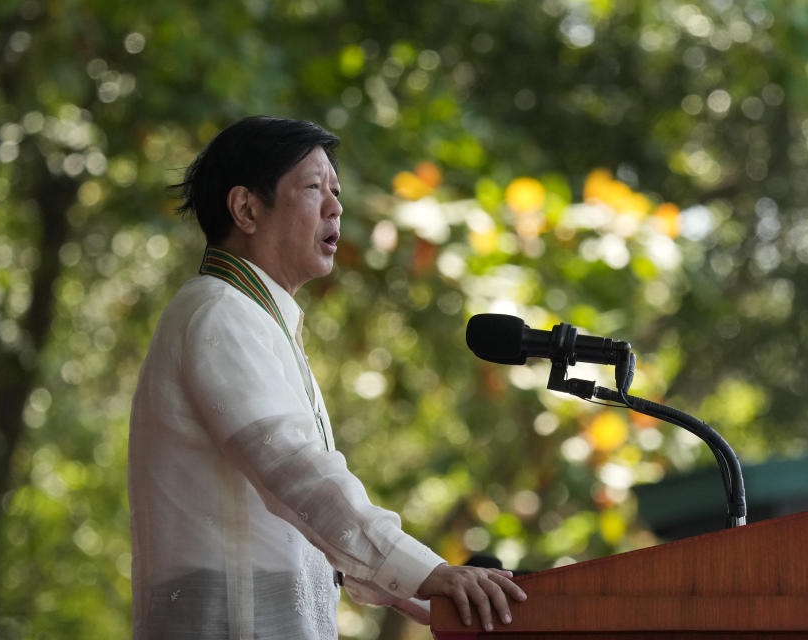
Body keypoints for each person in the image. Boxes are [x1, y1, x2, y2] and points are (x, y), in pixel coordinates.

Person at [128, 116, 526, 639]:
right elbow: (297, 474)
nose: (336, 207)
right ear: (246, 208)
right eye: (314, 188)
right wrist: (429, 573)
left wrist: (424, 593)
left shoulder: (257, 319)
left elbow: (304, 523)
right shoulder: (219, 312)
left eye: (335, 191)